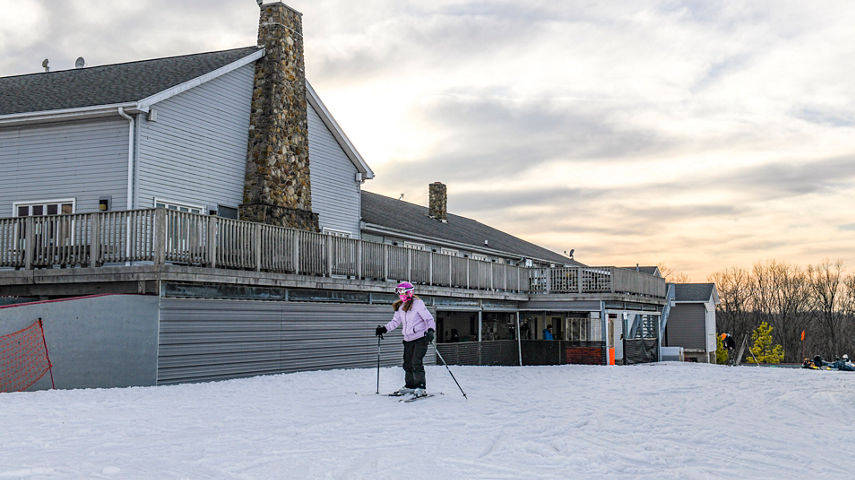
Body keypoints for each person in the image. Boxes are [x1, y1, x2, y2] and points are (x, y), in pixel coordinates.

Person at [374, 281, 436, 397]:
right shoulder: (401, 307)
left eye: (401, 291)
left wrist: (431, 330)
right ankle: (410, 386)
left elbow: (428, 319)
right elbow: (395, 322)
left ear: (409, 292)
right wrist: (384, 329)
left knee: (416, 362)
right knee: (407, 364)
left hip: (420, 338)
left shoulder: (418, 304)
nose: (400, 294)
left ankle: (421, 387)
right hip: (408, 339)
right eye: (398, 291)